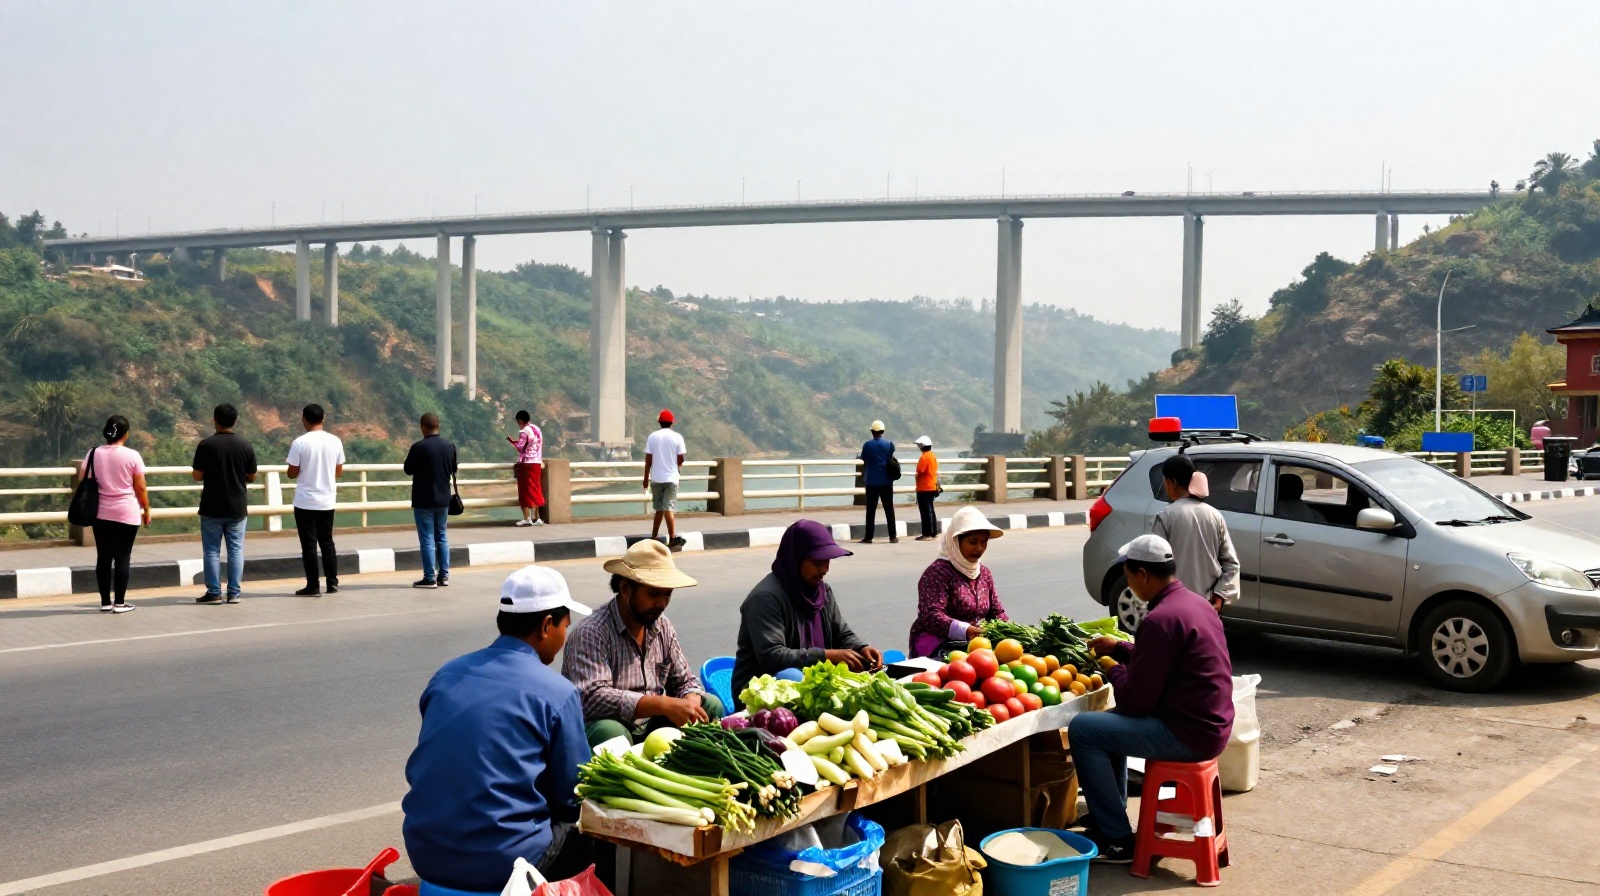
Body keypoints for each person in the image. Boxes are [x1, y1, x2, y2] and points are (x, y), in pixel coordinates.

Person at [402, 565, 592, 892]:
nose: (565, 636)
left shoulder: (447, 675)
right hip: (502, 865)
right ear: (547, 626)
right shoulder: (557, 692)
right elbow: (572, 796)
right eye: (565, 625)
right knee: (592, 837)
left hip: (424, 853)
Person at [1067, 535, 1233, 864]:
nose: (1129, 585)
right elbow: (1163, 658)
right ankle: (1109, 819)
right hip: (1212, 725)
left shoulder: (1159, 620)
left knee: (1084, 729)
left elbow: (1134, 703)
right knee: (1105, 726)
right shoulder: (1195, 603)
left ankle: (1116, 840)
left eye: (1128, 576)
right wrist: (1121, 648)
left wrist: (1112, 667)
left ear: (1142, 574)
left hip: (1187, 734)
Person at [563, 539, 724, 747]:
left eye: (667, 594)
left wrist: (691, 699)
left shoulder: (662, 626)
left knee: (710, 705)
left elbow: (684, 680)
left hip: (651, 728)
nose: (661, 603)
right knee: (611, 732)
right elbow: (592, 698)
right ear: (625, 589)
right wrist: (662, 703)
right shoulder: (591, 633)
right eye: (653, 594)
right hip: (606, 730)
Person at [732, 519, 882, 700]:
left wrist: (860, 648)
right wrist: (827, 655)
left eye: (827, 561)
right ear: (795, 560)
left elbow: (842, 634)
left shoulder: (822, 591)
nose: (824, 569)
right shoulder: (765, 598)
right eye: (817, 562)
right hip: (765, 693)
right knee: (792, 676)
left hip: (812, 688)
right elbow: (772, 657)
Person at [908, 507, 1010, 658]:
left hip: (974, 645)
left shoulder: (984, 573)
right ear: (956, 541)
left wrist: (1010, 631)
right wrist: (964, 630)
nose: (979, 548)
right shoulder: (937, 573)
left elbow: (996, 611)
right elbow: (931, 615)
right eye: (973, 542)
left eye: (984, 542)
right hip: (936, 647)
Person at [1152, 453, 1239, 611]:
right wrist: (1219, 596)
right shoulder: (1215, 515)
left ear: (1172, 482)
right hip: (1206, 605)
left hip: (1174, 604)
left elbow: (1156, 563)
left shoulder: (1165, 517)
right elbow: (1231, 564)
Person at [81, 415, 149, 613]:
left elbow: (84, 478)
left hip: (101, 513)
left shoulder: (93, 454)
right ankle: (119, 603)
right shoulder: (132, 455)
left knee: (103, 556)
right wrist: (146, 509)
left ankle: (104, 602)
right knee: (122, 557)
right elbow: (141, 488)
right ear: (126, 434)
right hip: (126, 513)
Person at [191, 403, 257, 604]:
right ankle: (234, 592)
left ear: (215, 420)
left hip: (212, 505)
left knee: (211, 550)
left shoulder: (206, 445)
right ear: (235, 421)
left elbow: (197, 475)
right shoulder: (245, 445)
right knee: (235, 549)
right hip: (236, 505)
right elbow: (252, 476)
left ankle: (213, 592)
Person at [286, 403, 345, 596]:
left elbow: (292, 473)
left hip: (305, 502)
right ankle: (332, 582)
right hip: (326, 500)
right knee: (327, 541)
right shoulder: (335, 441)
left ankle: (313, 585)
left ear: (304, 419)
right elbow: (338, 471)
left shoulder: (299, 443)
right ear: (323, 418)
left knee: (309, 544)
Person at [405, 413, 458, 589]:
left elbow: (408, 469)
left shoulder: (419, 447)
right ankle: (444, 576)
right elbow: (453, 468)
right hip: (444, 499)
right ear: (438, 426)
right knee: (441, 537)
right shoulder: (449, 446)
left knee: (427, 538)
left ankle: (429, 578)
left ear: (422, 427)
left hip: (423, 499)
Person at [643, 409, 687, 549]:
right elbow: (681, 458)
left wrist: (645, 478)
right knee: (669, 508)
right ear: (672, 422)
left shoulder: (652, 437)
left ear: (659, 422)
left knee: (659, 510)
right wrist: (676, 467)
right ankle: (672, 537)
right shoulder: (677, 437)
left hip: (656, 478)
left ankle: (654, 537)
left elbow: (648, 460)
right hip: (672, 478)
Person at [858, 420, 898, 544]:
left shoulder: (867, 445)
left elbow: (864, 459)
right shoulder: (889, 444)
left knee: (871, 510)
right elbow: (891, 456)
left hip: (872, 481)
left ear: (872, 431)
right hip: (887, 481)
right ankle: (892, 536)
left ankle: (869, 536)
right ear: (883, 431)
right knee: (889, 508)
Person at [509, 410, 545, 526]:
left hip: (527, 464)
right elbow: (539, 446)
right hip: (536, 463)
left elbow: (521, 449)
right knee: (536, 488)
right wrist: (540, 460)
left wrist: (513, 442)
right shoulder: (537, 429)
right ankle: (538, 518)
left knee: (525, 490)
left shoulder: (524, 432)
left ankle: (527, 518)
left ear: (520, 420)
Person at [913, 435, 939, 540]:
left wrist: (916, 477)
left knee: (925, 511)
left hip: (924, 487)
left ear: (923, 446)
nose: (919, 446)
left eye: (919, 445)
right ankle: (933, 532)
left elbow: (920, 470)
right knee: (930, 510)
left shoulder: (924, 457)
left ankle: (927, 533)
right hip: (932, 485)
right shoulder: (932, 456)